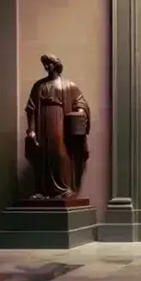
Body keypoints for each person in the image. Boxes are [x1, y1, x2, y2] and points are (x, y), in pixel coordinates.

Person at [25, 54, 91, 199]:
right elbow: (31, 108)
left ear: (56, 65)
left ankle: (63, 188)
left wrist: (80, 111)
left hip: (60, 120)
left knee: (60, 152)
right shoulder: (39, 86)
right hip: (43, 122)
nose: (46, 66)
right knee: (43, 154)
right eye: (45, 64)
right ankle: (43, 190)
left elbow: (81, 102)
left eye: (49, 63)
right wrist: (32, 129)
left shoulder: (68, 86)